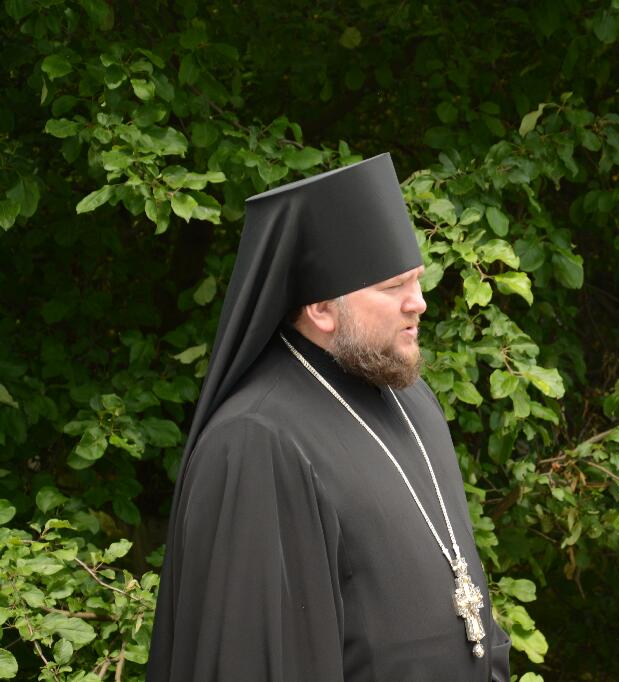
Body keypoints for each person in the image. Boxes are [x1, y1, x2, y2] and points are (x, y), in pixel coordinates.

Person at [148, 153, 511, 681]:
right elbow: (258, 662)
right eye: (393, 286)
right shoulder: (255, 441)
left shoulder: (410, 399)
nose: (419, 303)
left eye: (417, 280)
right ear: (321, 309)